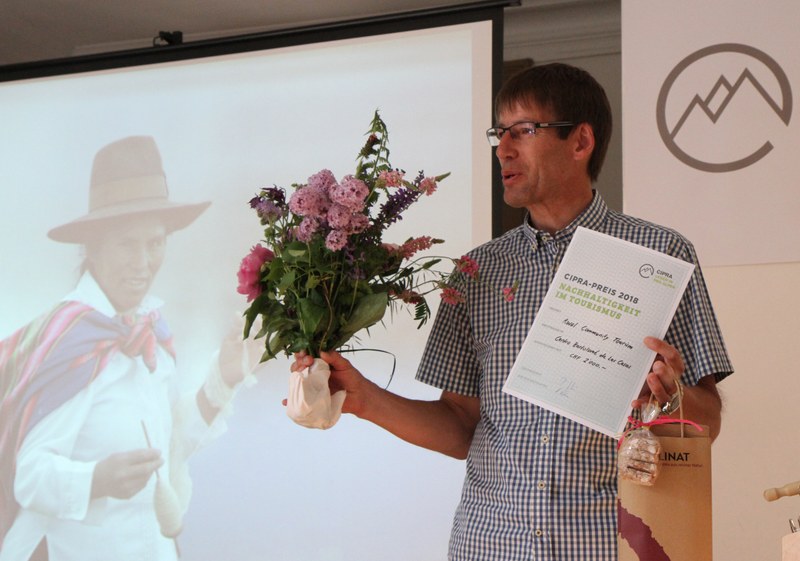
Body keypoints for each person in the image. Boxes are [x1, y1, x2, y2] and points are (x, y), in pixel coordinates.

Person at [292, 63, 733, 560]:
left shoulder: (660, 254)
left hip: (608, 545)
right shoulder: (476, 271)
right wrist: (363, 399)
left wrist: (673, 398)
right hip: (491, 544)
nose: (502, 149)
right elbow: (460, 425)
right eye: (498, 133)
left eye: (522, 130)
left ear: (580, 141)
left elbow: (710, 419)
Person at [0, 136, 255, 561]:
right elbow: (29, 477)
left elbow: (167, 449)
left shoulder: (150, 331)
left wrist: (223, 379)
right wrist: (96, 479)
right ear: (92, 247)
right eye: (126, 244)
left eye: (155, 244)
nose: (143, 262)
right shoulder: (69, 340)